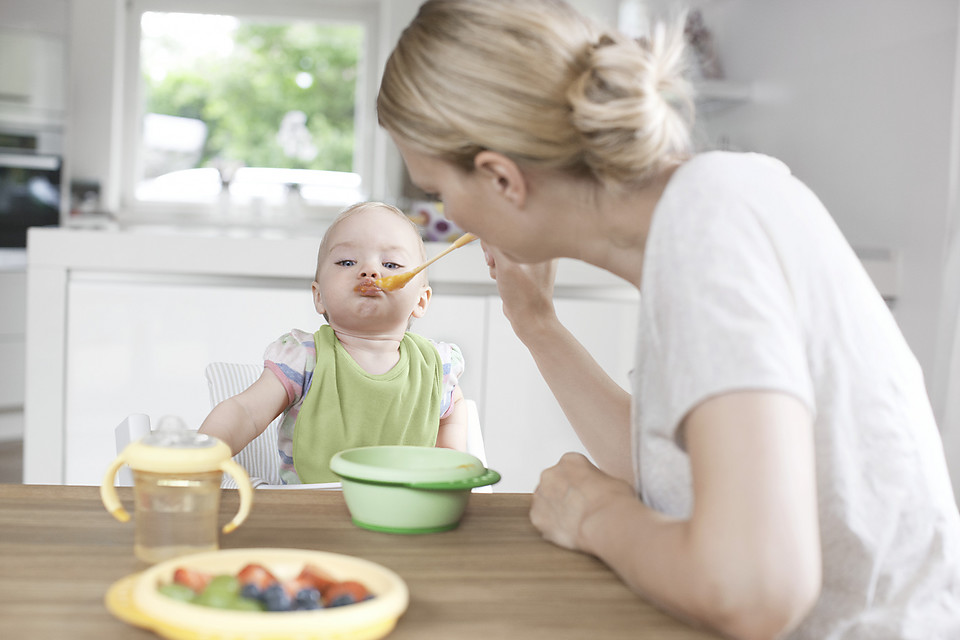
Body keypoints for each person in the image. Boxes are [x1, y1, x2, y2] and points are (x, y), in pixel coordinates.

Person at [377, 1, 960, 638]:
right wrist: (536, 324)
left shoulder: (708, 231)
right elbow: (682, 474)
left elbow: (756, 589)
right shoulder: (705, 208)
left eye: (438, 190)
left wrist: (595, 517)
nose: (451, 216)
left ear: (500, 178)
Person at [199, 201, 467, 484]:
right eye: (347, 262)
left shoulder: (437, 366)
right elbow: (246, 412)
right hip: (311, 515)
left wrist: (448, 452)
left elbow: (454, 406)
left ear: (420, 301)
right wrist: (198, 455)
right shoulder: (304, 359)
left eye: (390, 264)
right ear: (319, 296)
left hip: (404, 514)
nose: (369, 271)